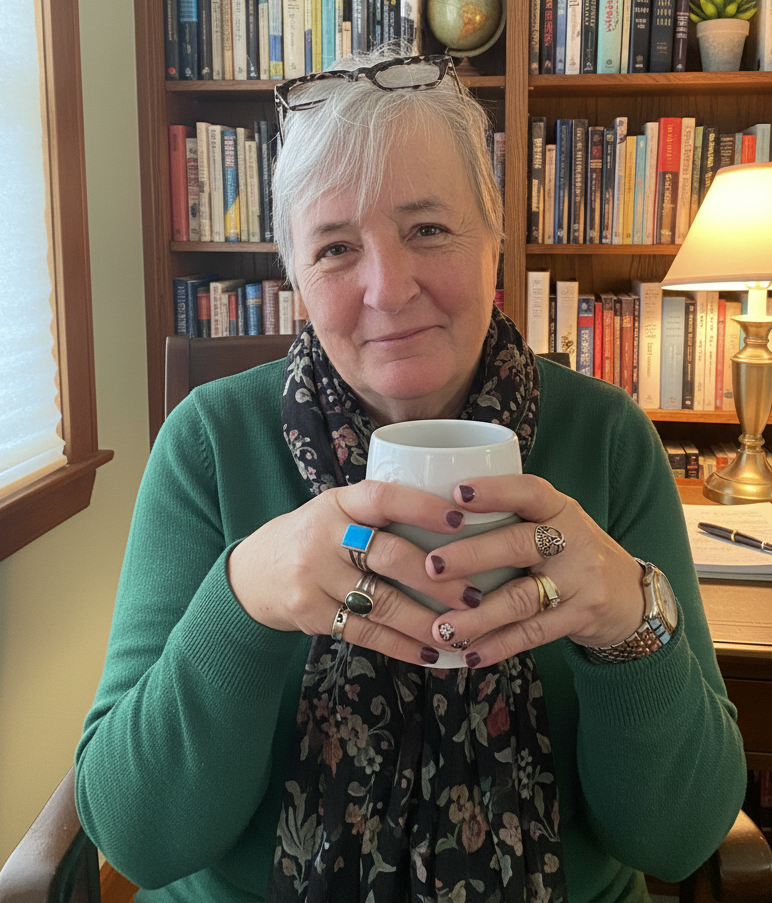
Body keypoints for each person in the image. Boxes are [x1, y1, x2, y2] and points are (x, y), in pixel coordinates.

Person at [75, 50, 746, 903]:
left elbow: (677, 838)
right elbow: (138, 837)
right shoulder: (209, 442)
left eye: (427, 228)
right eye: (334, 247)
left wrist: (626, 621)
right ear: (296, 280)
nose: (388, 289)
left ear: (494, 238)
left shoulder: (608, 437)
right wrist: (243, 598)